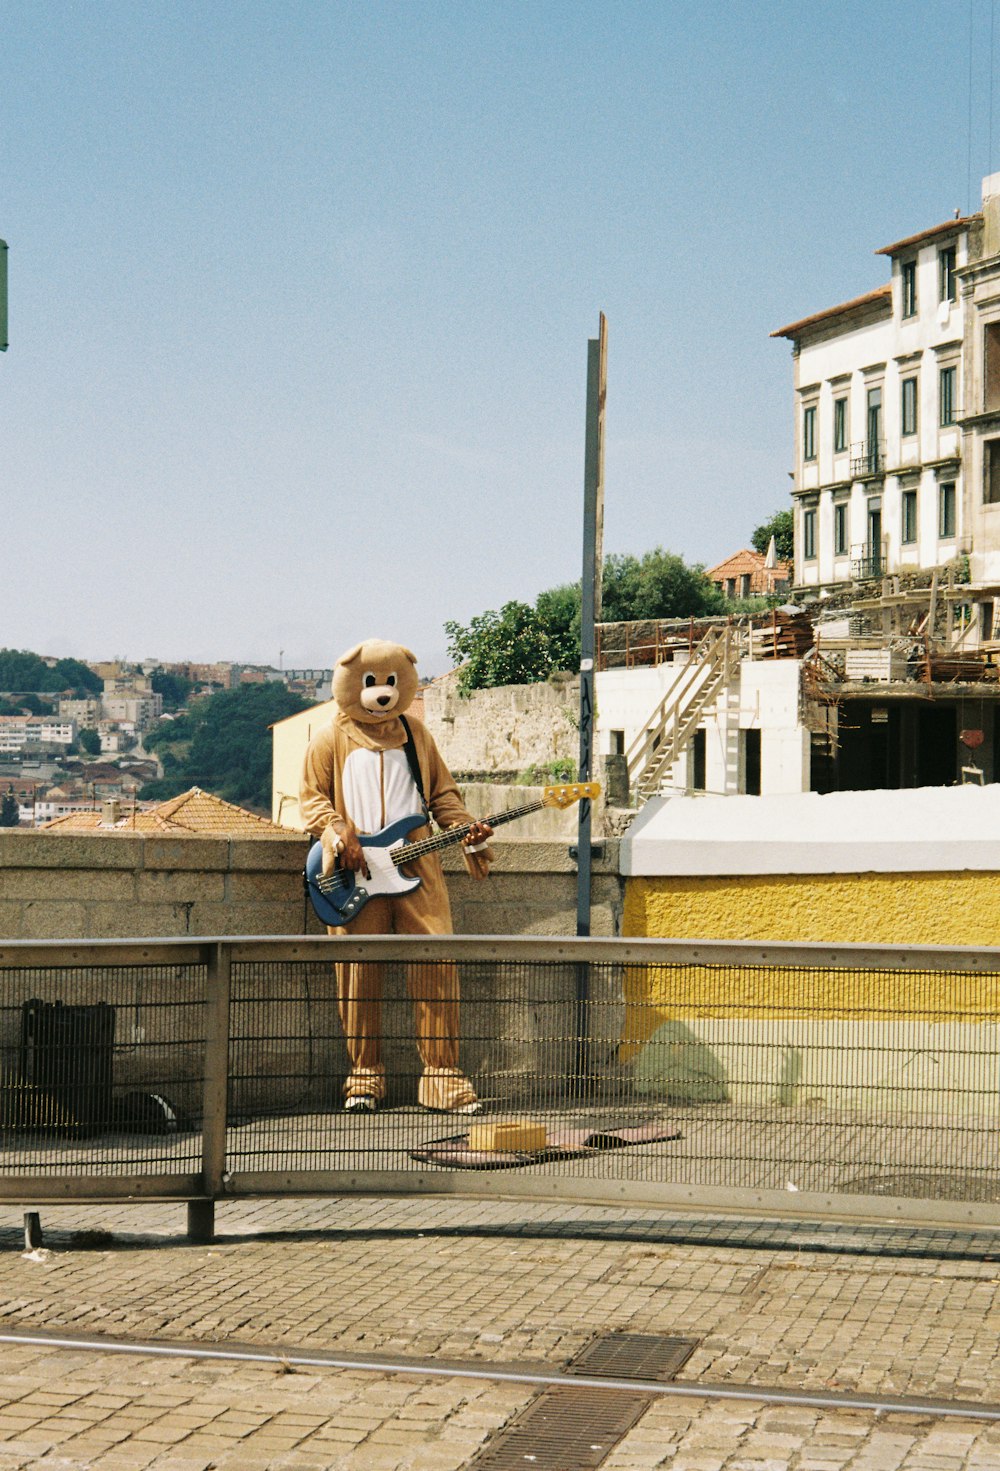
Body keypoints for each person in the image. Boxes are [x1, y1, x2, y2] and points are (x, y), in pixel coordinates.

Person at [300, 638, 492, 1114]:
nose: (381, 693)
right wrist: (338, 834)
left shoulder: (417, 737)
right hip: (356, 869)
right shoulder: (329, 739)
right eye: (371, 683)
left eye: (390, 682)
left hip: (417, 865)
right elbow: (312, 801)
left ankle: (443, 1076)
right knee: (357, 972)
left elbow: (443, 796)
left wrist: (466, 829)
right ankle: (364, 1077)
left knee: (436, 964)